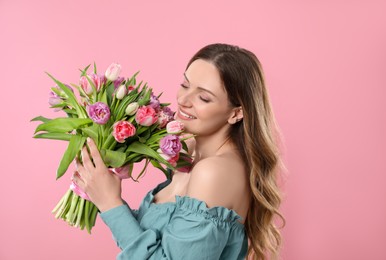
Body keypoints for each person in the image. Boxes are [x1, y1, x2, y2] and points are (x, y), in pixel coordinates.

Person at [72, 43, 285, 260]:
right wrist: (101, 188)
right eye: (185, 84)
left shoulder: (214, 172)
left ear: (236, 113)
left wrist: (111, 203)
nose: (183, 100)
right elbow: (155, 244)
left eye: (204, 98)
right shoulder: (188, 153)